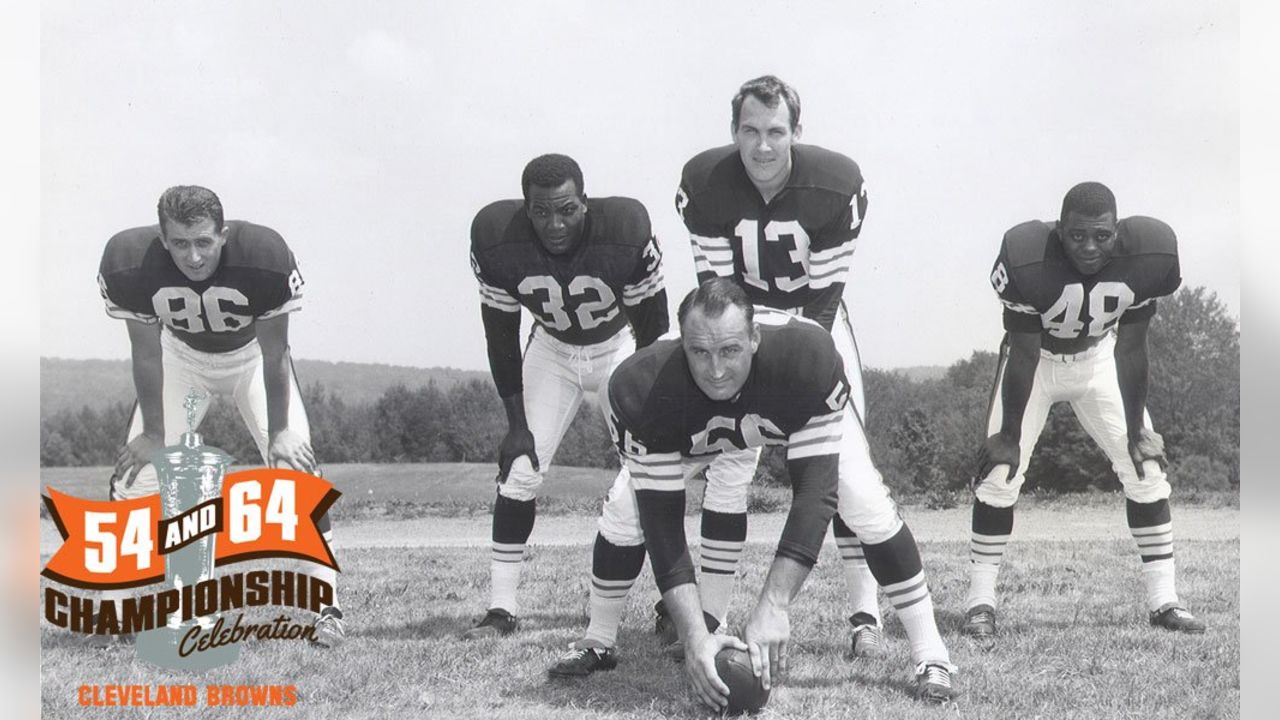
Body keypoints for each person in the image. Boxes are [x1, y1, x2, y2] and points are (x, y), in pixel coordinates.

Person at [550, 279, 955, 706]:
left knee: (864, 499)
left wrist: (775, 605)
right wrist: (694, 638)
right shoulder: (641, 387)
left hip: (782, 408)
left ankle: (931, 653)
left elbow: (815, 494)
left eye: (730, 350)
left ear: (755, 338)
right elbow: (663, 525)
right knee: (624, 510)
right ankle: (598, 638)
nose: (716, 369)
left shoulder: (805, 358)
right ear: (681, 344)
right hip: (690, 425)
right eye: (699, 352)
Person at [98, 185, 344, 647]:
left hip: (250, 359)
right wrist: (153, 433)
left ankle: (326, 609)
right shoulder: (128, 261)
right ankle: (120, 607)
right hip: (179, 360)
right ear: (161, 237)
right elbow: (145, 354)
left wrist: (282, 433)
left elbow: (276, 353)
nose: (193, 257)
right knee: (136, 480)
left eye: (203, 242)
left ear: (223, 235)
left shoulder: (263, 255)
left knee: (296, 473)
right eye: (180, 243)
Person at [966, 181, 1205, 640]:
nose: (1090, 247)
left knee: (1146, 468)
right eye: (1077, 236)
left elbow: (1133, 349)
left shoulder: (1149, 255)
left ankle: (1164, 600)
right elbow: (1022, 353)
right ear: (1059, 230)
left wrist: (1137, 429)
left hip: (1098, 361)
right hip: (1037, 364)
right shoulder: (1027, 255)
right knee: (999, 474)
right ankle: (980, 602)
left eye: (1101, 236)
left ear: (1117, 231)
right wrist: (1009, 435)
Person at [462, 153, 668, 639]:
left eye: (567, 210)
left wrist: (653, 403)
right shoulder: (496, 238)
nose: (554, 224)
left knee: (649, 473)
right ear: (525, 209)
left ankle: (669, 601)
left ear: (586, 204)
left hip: (621, 346)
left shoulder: (624, 229)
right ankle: (501, 609)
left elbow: (654, 329)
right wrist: (516, 425)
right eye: (540, 212)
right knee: (519, 470)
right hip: (552, 350)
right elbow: (499, 334)